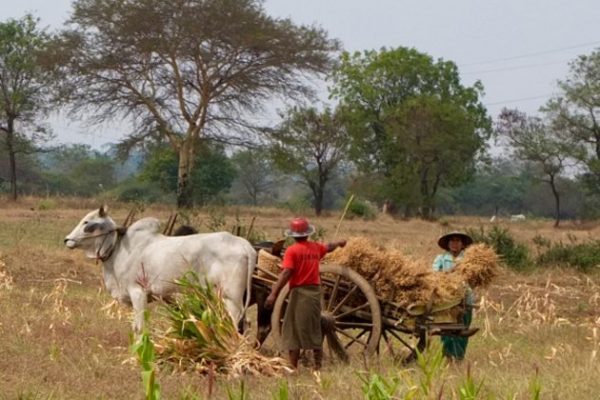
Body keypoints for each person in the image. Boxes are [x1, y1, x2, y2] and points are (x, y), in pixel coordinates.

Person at [264, 217, 346, 371]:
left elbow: (286, 272)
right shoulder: (316, 247)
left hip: (299, 294)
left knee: (293, 331)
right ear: (308, 234)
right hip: (314, 294)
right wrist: (340, 243)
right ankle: (317, 367)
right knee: (314, 329)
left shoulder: (292, 251)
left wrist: (273, 294)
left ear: (293, 235)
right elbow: (328, 247)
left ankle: (293, 368)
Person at [432, 231, 477, 361]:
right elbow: (434, 274)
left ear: (462, 244)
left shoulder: (468, 260)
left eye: (457, 241)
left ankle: (458, 357)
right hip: (446, 299)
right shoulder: (440, 259)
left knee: (463, 327)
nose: (454, 244)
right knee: (445, 329)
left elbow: (472, 277)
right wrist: (448, 275)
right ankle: (447, 356)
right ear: (448, 244)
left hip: (464, 298)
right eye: (452, 241)